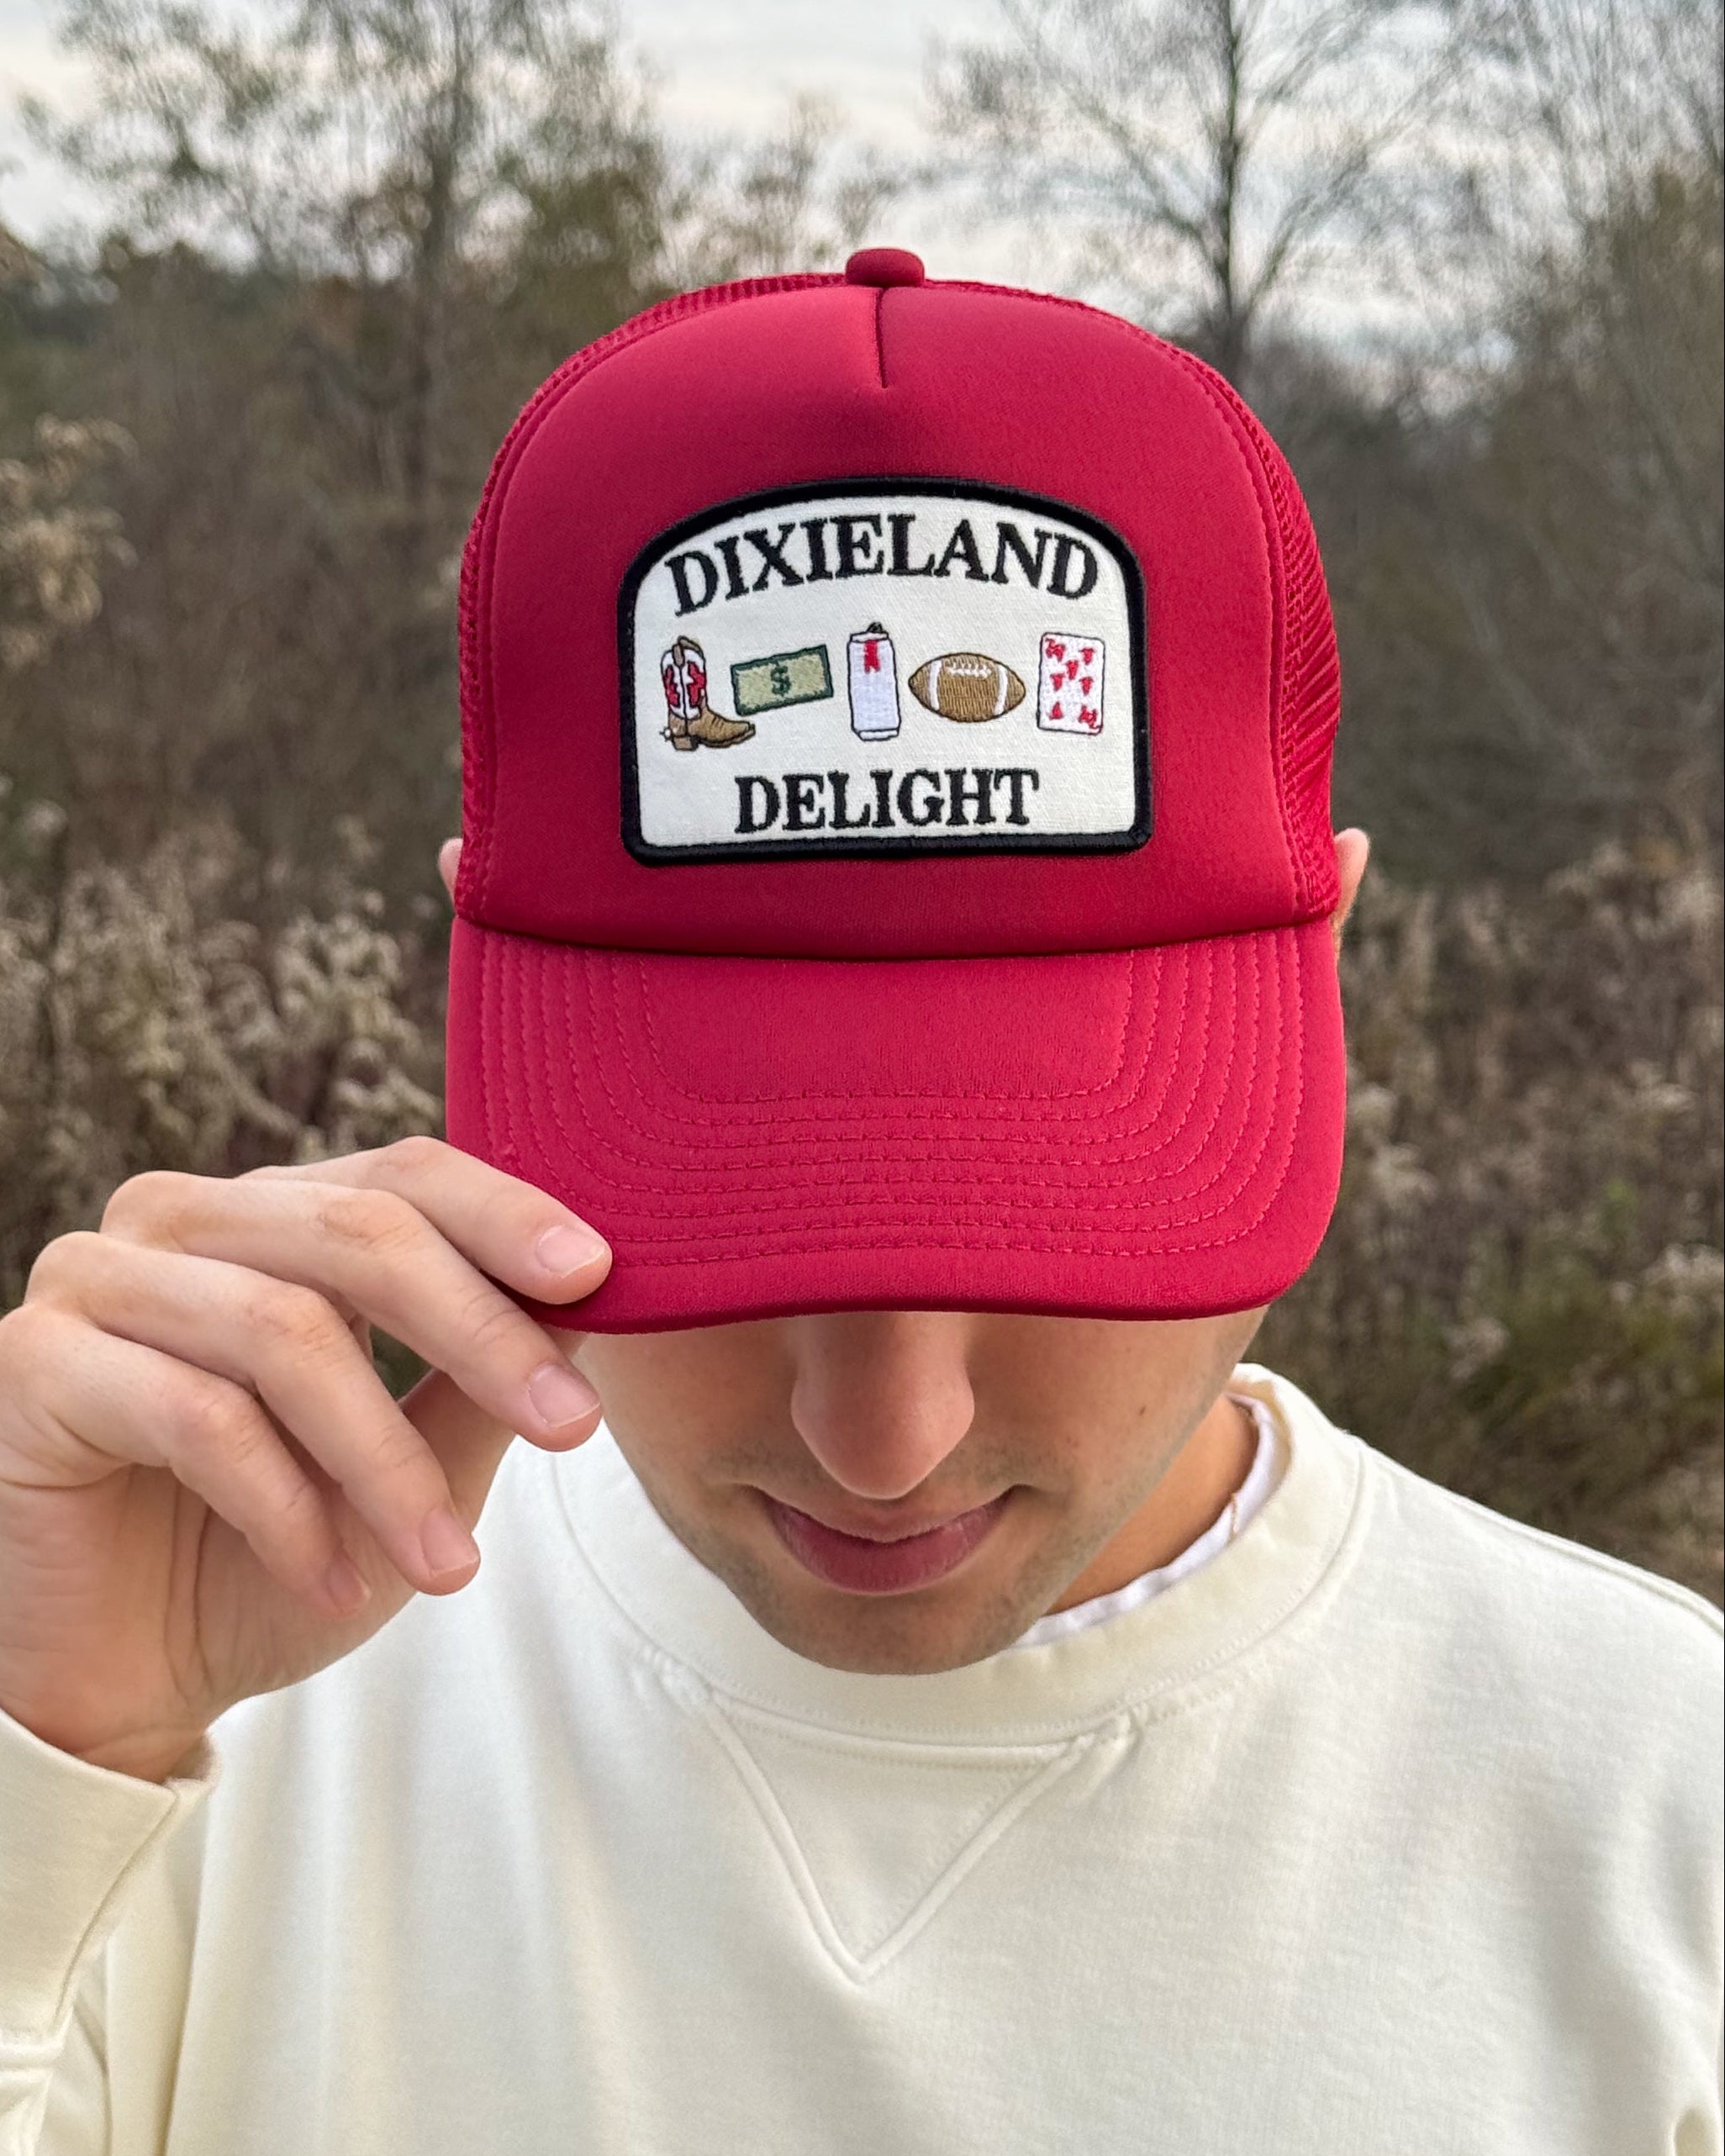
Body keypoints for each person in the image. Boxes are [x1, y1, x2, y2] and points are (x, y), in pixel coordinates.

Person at [1, 253, 1718, 2156]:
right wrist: (44, 1752)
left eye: (1052, 1207)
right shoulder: (203, 1732)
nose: (884, 1440)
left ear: (1331, 940)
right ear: (474, 952)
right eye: (739, 1215)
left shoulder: (1656, 1805)